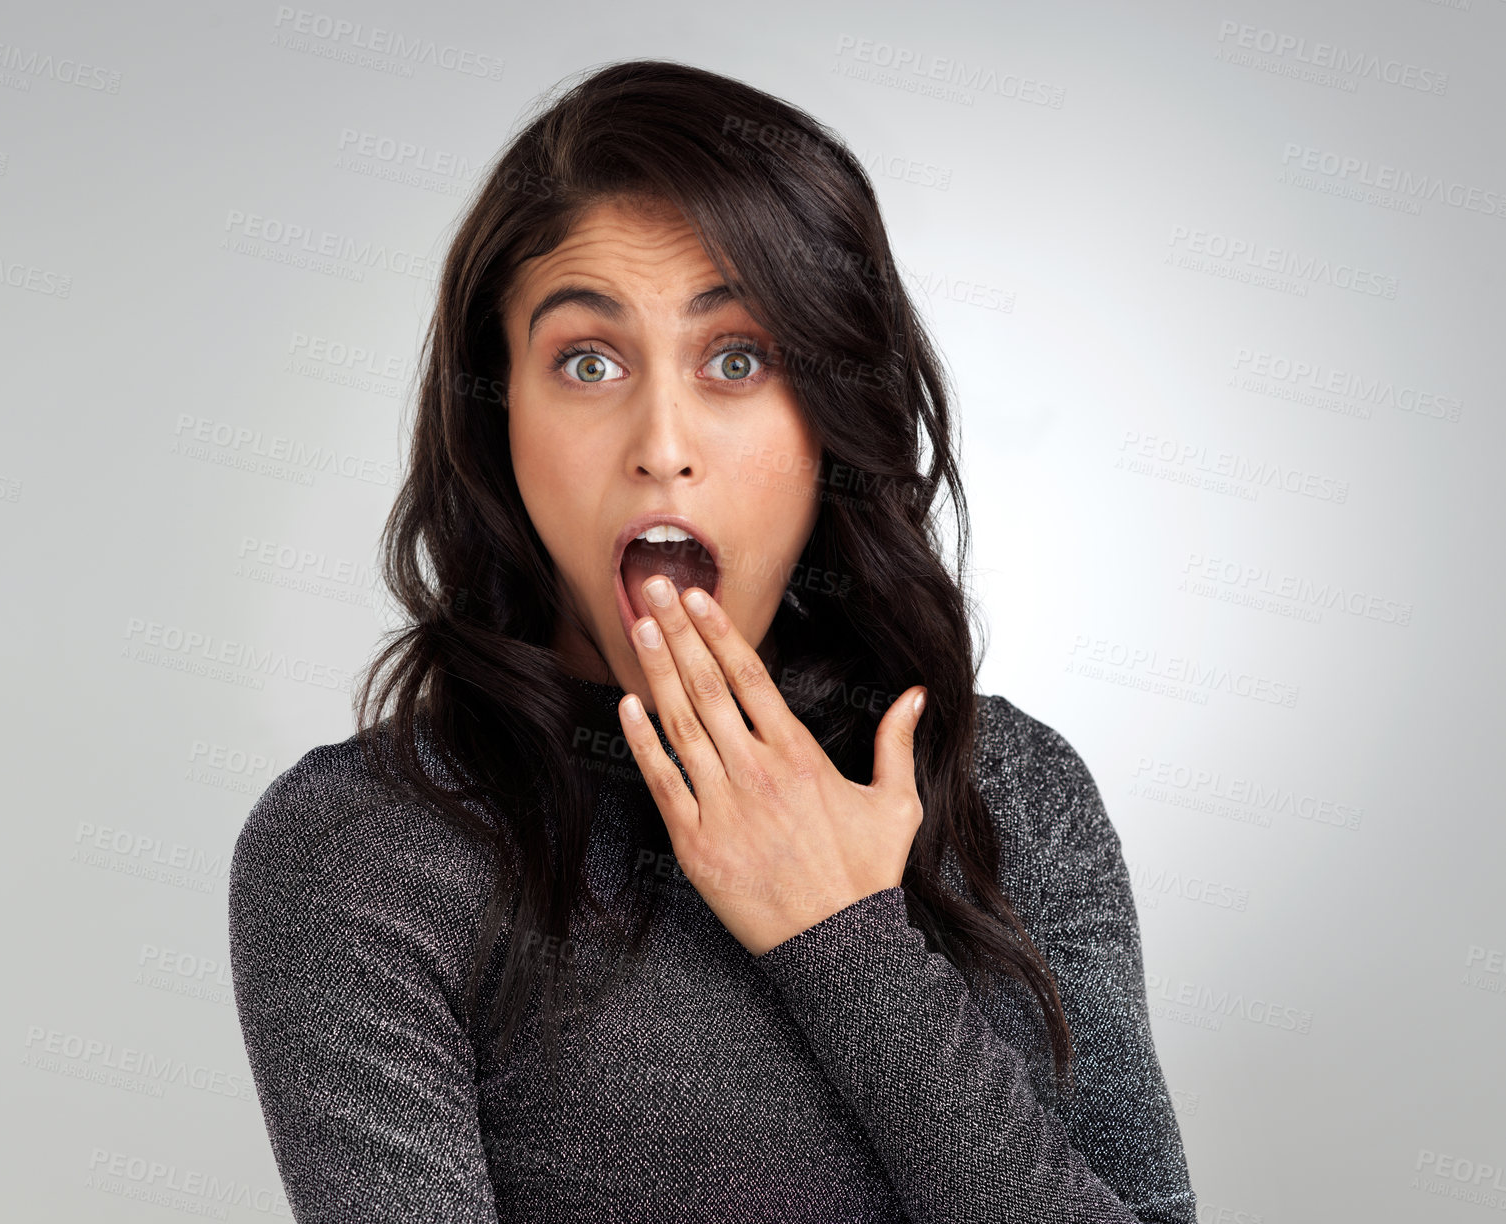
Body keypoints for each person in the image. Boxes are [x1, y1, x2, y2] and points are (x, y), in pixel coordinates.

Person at [228, 58, 1198, 1223]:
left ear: (830, 416)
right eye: (587, 362)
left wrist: (843, 944)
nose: (662, 444)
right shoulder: (366, 849)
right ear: (500, 419)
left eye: (737, 358)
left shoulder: (1014, 794)